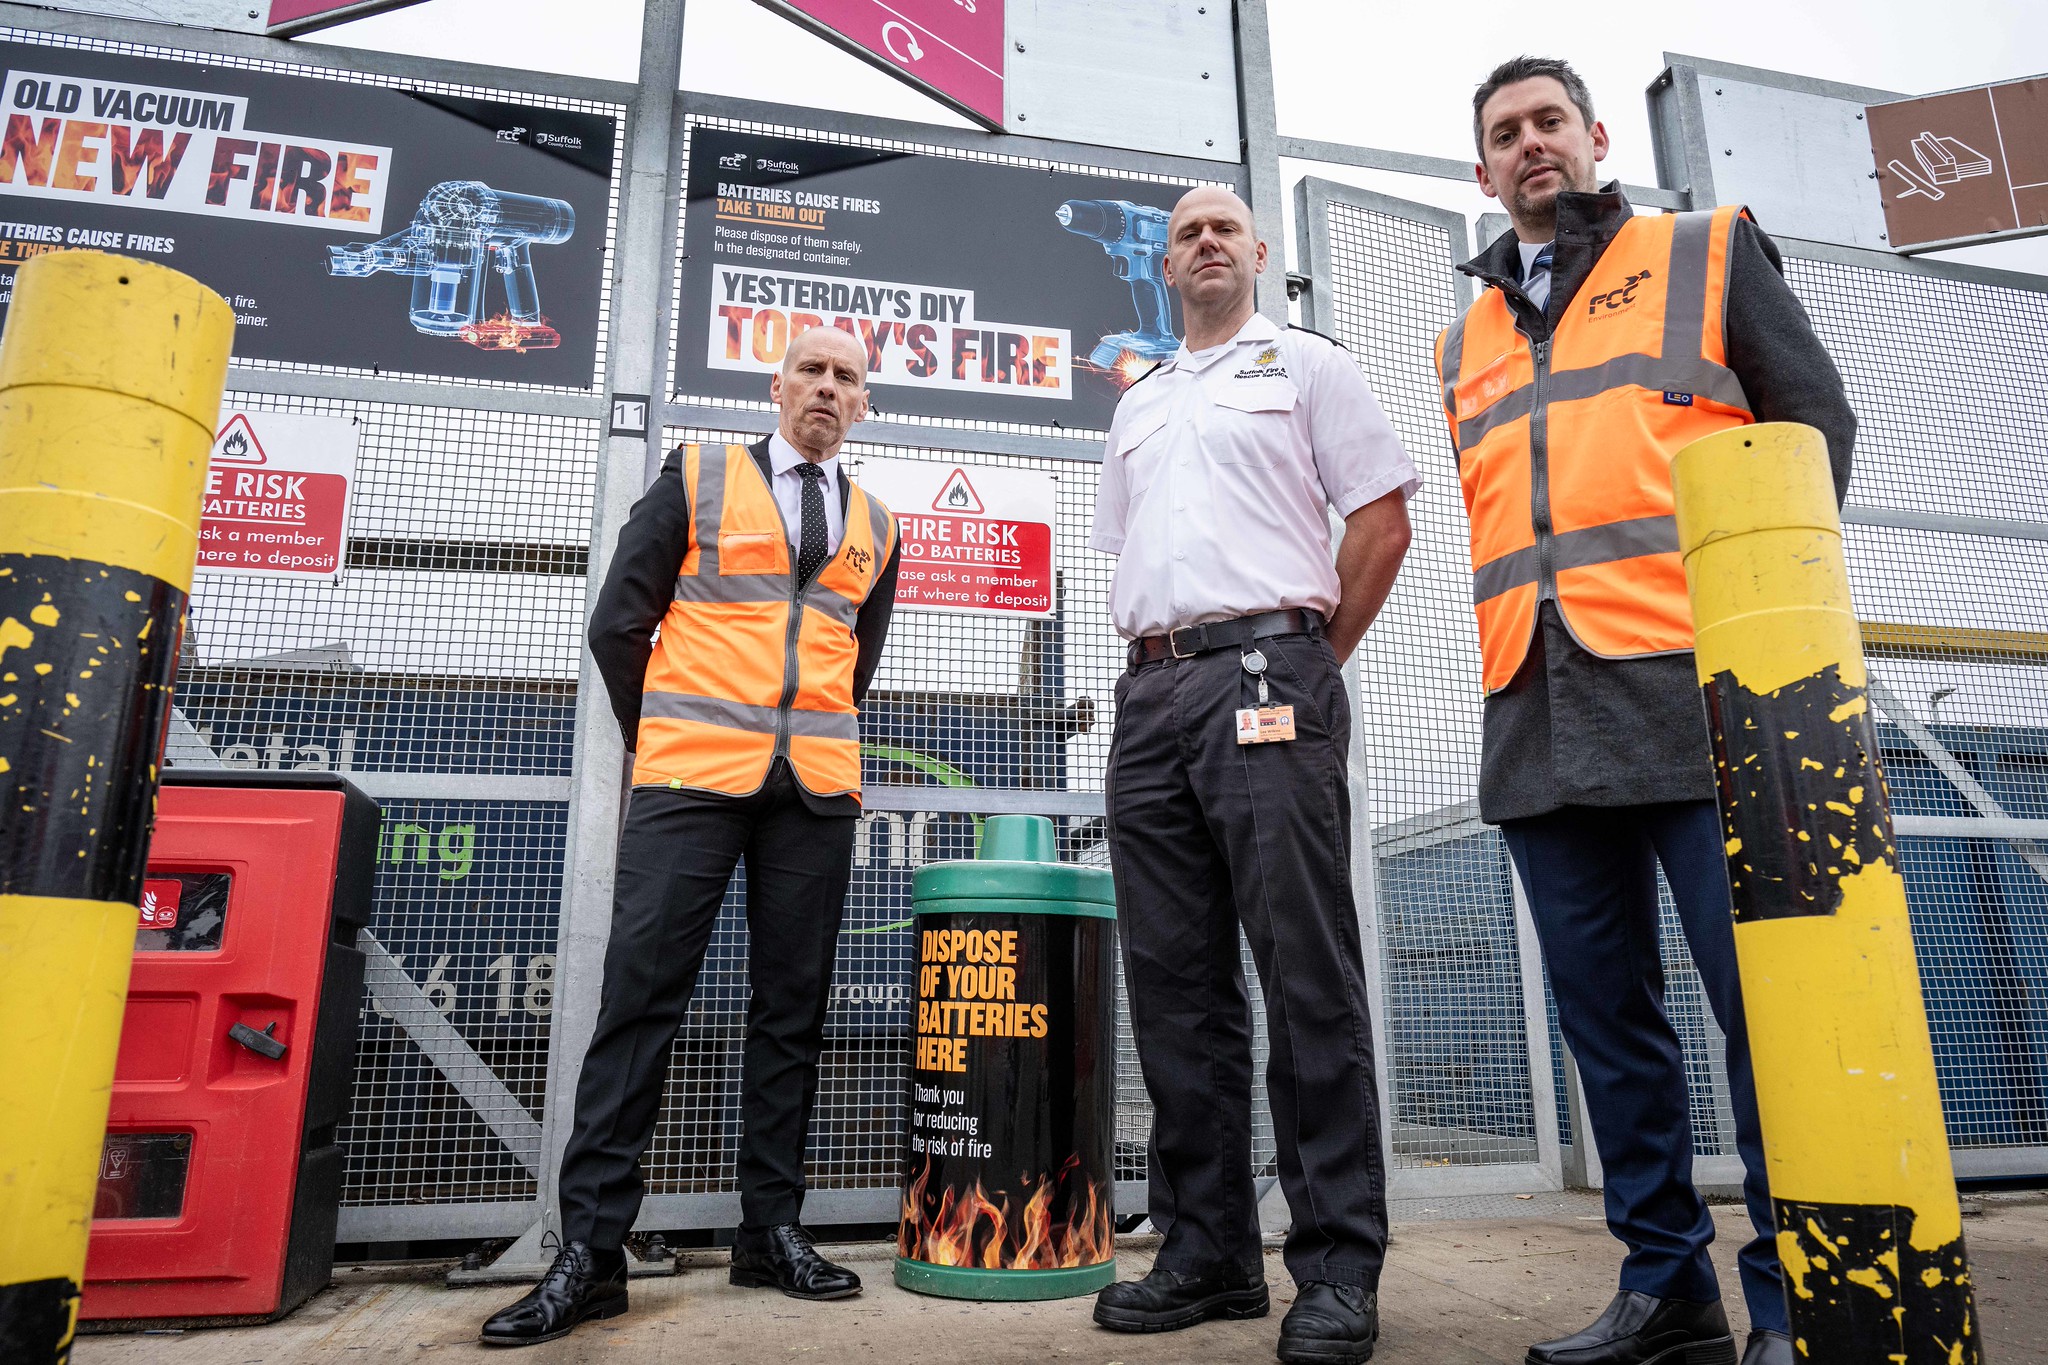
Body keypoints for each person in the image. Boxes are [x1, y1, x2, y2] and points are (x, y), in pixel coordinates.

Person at [1437, 56, 1858, 1365]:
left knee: (1762, 1019)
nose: (1530, 146)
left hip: (1702, 695)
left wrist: (1772, 618)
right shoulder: (1465, 337)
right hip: (1539, 715)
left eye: (1548, 121)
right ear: (1483, 169)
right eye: (1504, 134)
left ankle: (1798, 1301)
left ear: (1596, 135)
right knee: (1608, 1029)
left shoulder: (1705, 252)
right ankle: (1667, 1293)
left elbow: (1816, 420)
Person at [480, 325, 901, 1347]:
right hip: (689, 780)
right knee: (640, 1002)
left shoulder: (877, 523)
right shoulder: (702, 474)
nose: (826, 388)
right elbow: (617, 622)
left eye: (846, 378)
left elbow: (856, 658)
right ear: (778, 384)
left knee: (790, 1013)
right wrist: (661, 738)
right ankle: (590, 1253)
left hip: (813, 795)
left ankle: (770, 1230)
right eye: (812, 370)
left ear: (861, 405)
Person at [1089, 186, 1417, 1365]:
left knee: (1304, 971)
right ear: (1165, 267)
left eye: (1225, 226)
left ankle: (1333, 1266)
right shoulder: (1136, 404)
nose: (1207, 241)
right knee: (1174, 986)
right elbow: (1131, 551)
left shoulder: (1310, 366)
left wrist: (1303, 666)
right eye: (1185, 232)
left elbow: (1378, 526)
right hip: (1149, 692)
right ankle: (1205, 1252)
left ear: (1258, 254)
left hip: (1270, 669)